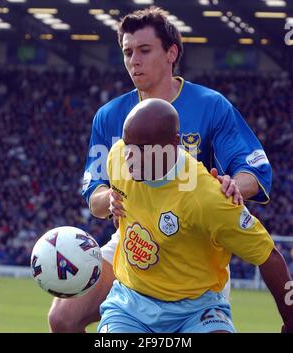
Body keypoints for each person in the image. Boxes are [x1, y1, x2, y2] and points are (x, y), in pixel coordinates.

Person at [48, 7, 272, 332]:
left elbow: (253, 170)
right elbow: (93, 193)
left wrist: (232, 185)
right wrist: (109, 197)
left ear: (171, 53)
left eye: (144, 50)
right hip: (133, 240)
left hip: (193, 250)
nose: (133, 60)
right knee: (62, 318)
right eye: (127, 52)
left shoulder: (211, 106)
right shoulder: (109, 116)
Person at [97, 98, 292, 333]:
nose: (129, 156)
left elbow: (268, 256)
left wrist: (290, 320)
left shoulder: (208, 196)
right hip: (130, 303)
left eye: (142, 149)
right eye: (127, 145)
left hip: (196, 311)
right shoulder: (118, 159)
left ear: (173, 144)